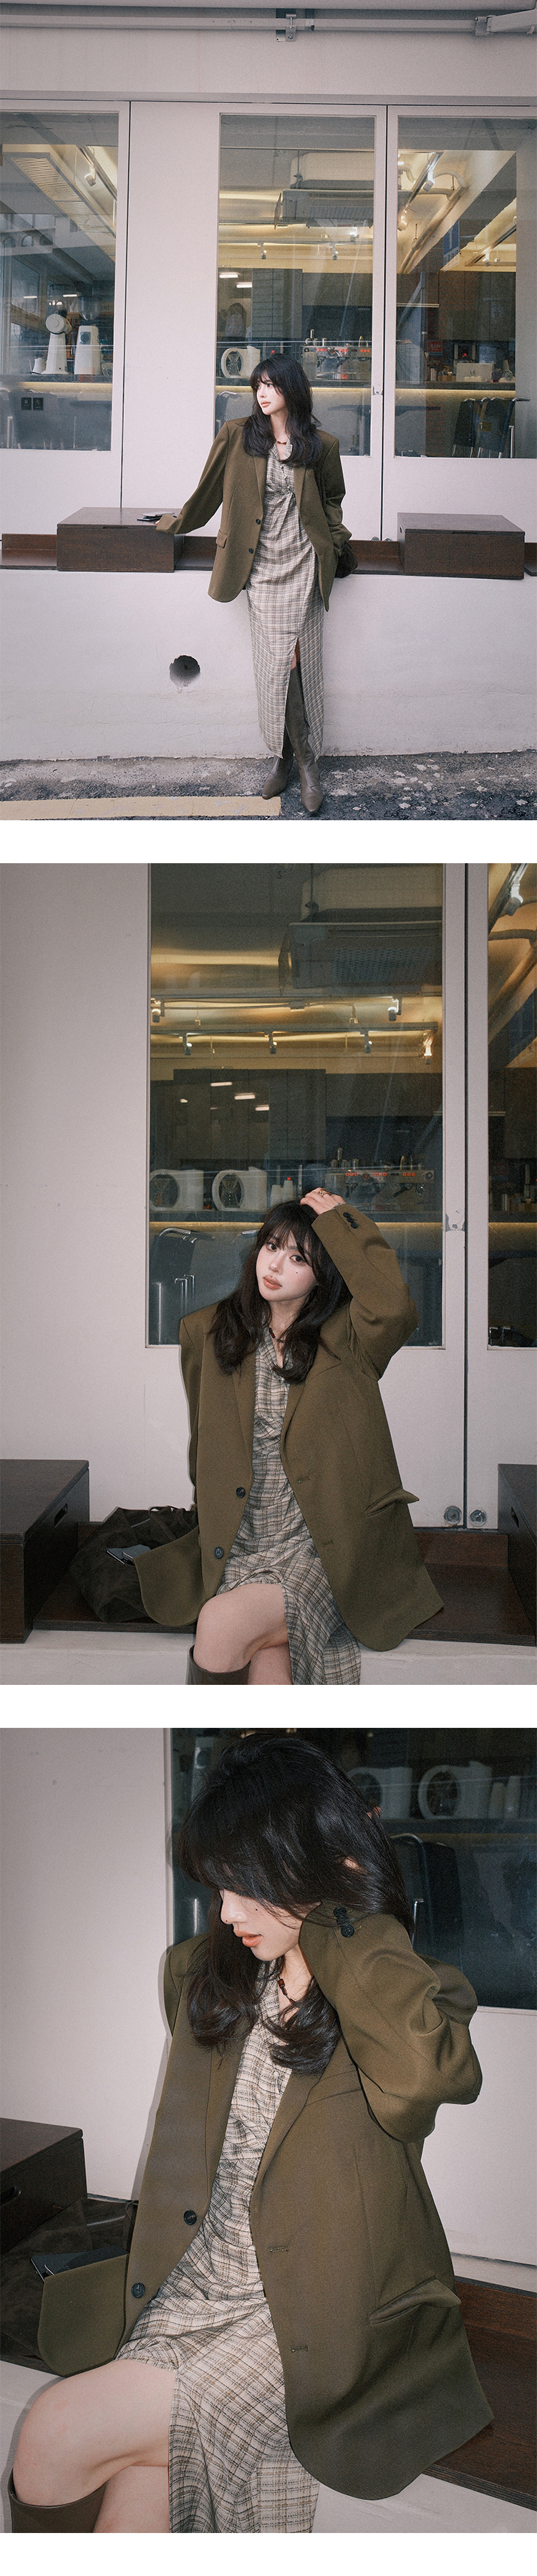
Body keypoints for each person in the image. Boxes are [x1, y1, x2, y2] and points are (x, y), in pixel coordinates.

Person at [10, 1736, 492, 2534]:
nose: (227, 1910)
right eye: (220, 1886)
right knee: (132, 2495)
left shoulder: (401, 1993)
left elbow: (421, 2080)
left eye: (248, 1884)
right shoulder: (210, 1979)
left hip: (310, 2317)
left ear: (319, 1864)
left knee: (57, 2431)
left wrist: (343, 1918)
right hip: (198, 2286)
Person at [135, 1185, 442, 1683]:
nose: (275, 1264)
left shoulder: (349, 1338)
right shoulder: (209, 1333)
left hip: (325, 1548)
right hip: (242, 1543)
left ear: (324, 1273)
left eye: (298, 1257)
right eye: (271, 1246)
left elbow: (394, 1309)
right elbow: (205, 1446)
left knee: (221, 1622)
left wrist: (344, 1224)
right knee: (267, 1653)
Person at [173, 354, 352, 814]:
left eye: (271, 385)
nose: (263, 393)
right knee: (278, 663)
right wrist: (173, 523)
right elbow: (207, 491)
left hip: (304, 561)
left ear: (292, 390)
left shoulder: (322, 445)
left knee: (299, 660)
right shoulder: (238, 436)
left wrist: (335, 543)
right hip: (263, 565)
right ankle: (297, 759)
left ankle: (295, 763)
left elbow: (333, 501)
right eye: (259, 386)